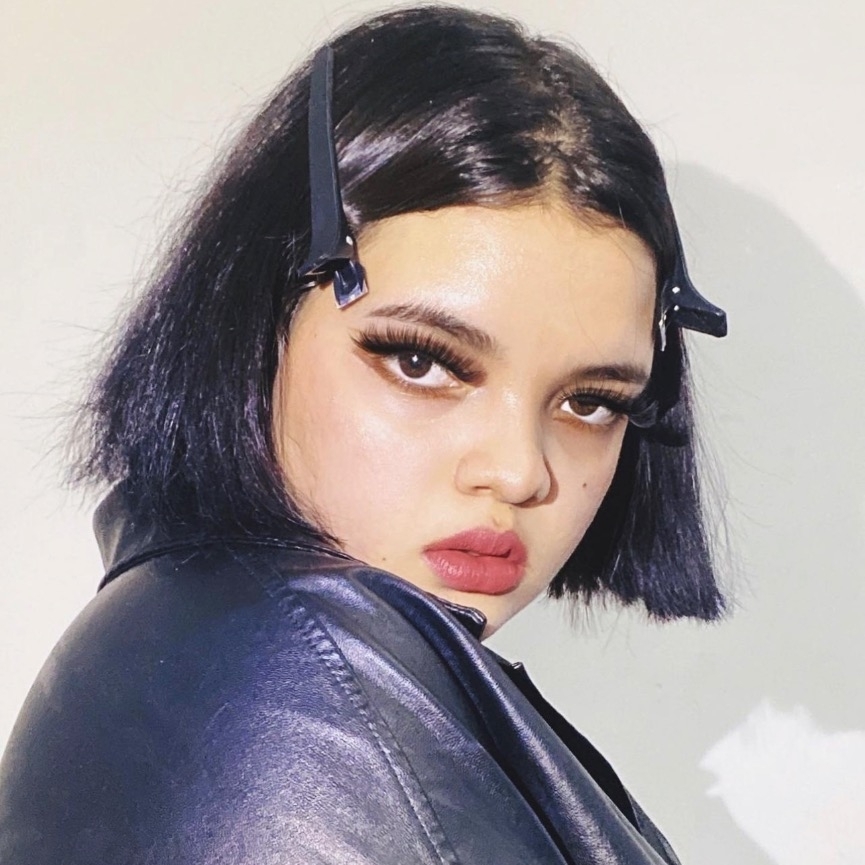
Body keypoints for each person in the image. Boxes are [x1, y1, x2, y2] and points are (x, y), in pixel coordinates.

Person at [0, 6, 727, 863]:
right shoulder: (297, 684)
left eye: (591, 401)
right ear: (254, 326)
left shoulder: (212, 644)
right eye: (421, 361)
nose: (517, 470)